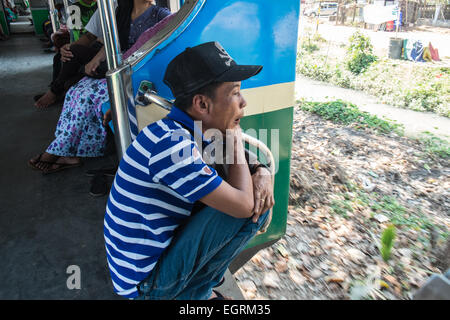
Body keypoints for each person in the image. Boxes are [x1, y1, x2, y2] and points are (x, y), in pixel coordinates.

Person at [103, 41, 275, 300]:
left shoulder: (184, 132)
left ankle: (196, 289)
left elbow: (226, 158)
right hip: (144, 286)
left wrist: (262, 171)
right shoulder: (173, 147)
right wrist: (236, 139)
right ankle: (196, 295)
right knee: (256, 210)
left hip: (146, 264)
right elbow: (243, 205)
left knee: (241, 188)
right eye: (235, 93)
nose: (244, 102)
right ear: (202, 105)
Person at [29, 0, 171, 171]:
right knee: (75, 91)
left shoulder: (161, 15)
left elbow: (163, 51)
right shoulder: (121, 13)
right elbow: (111, 44)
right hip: (115, 68)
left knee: (87, 97)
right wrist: (97, 59)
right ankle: (69, 153)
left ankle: (56, 151)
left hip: (135, 75)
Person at [34, 0, 170, 109]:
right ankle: (59, 89)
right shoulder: (120, 11)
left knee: (73, 80)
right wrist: (94, 57)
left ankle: (58, 89)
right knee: (69, 57)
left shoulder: (160, 15)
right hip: (115, 57)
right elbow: (104, 40)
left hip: (134, 65)